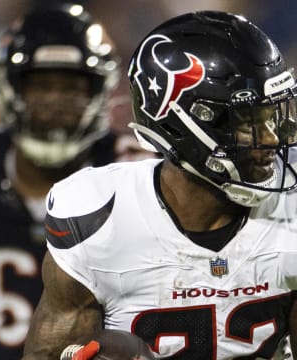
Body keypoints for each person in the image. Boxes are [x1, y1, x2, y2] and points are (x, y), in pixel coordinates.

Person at [22, 10, 297, 360]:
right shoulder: (99, 220)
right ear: (181, 125)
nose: (272, 140)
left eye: (271, 117)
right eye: (249, 122)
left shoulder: (291, 205)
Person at [0, 3, 152, 359]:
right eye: (41, 86)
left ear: (100, 91)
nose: (55, 103)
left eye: (71, 87)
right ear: (12, 88)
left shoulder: (137, 174)